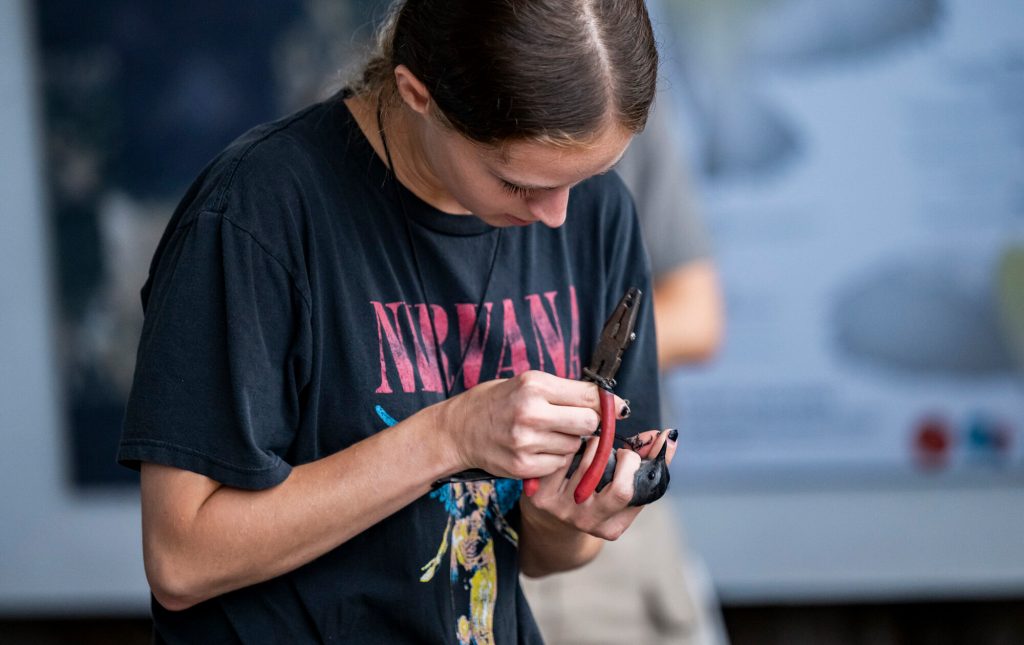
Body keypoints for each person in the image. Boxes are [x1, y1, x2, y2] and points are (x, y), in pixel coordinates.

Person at [117, 1, 678, 642]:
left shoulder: (596, 212)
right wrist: (447, 437)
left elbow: (554, 558)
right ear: (417, 93)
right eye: (516, 183)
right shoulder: (258, 214)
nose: (556, 215)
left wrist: (564, 509)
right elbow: (181, 559)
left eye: (586, 176)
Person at [520, 89, 727, 644]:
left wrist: (551, 380)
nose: (553, 209)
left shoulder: (615, 95)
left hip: (613, 534)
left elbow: (698, 315)